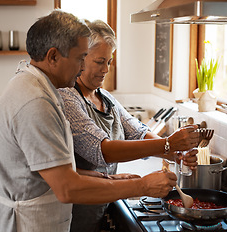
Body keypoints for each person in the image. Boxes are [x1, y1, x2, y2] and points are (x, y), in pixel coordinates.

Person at [58, 20, 199, 232]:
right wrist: (168, 144)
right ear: (81, 59)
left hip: (103, 204)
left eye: (109, 61)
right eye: (99, 61)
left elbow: (137, 132)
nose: (106, 69)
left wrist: (175, 153)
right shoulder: (67, 97)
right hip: (74, 213)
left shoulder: (105, 98)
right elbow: (101, 150)